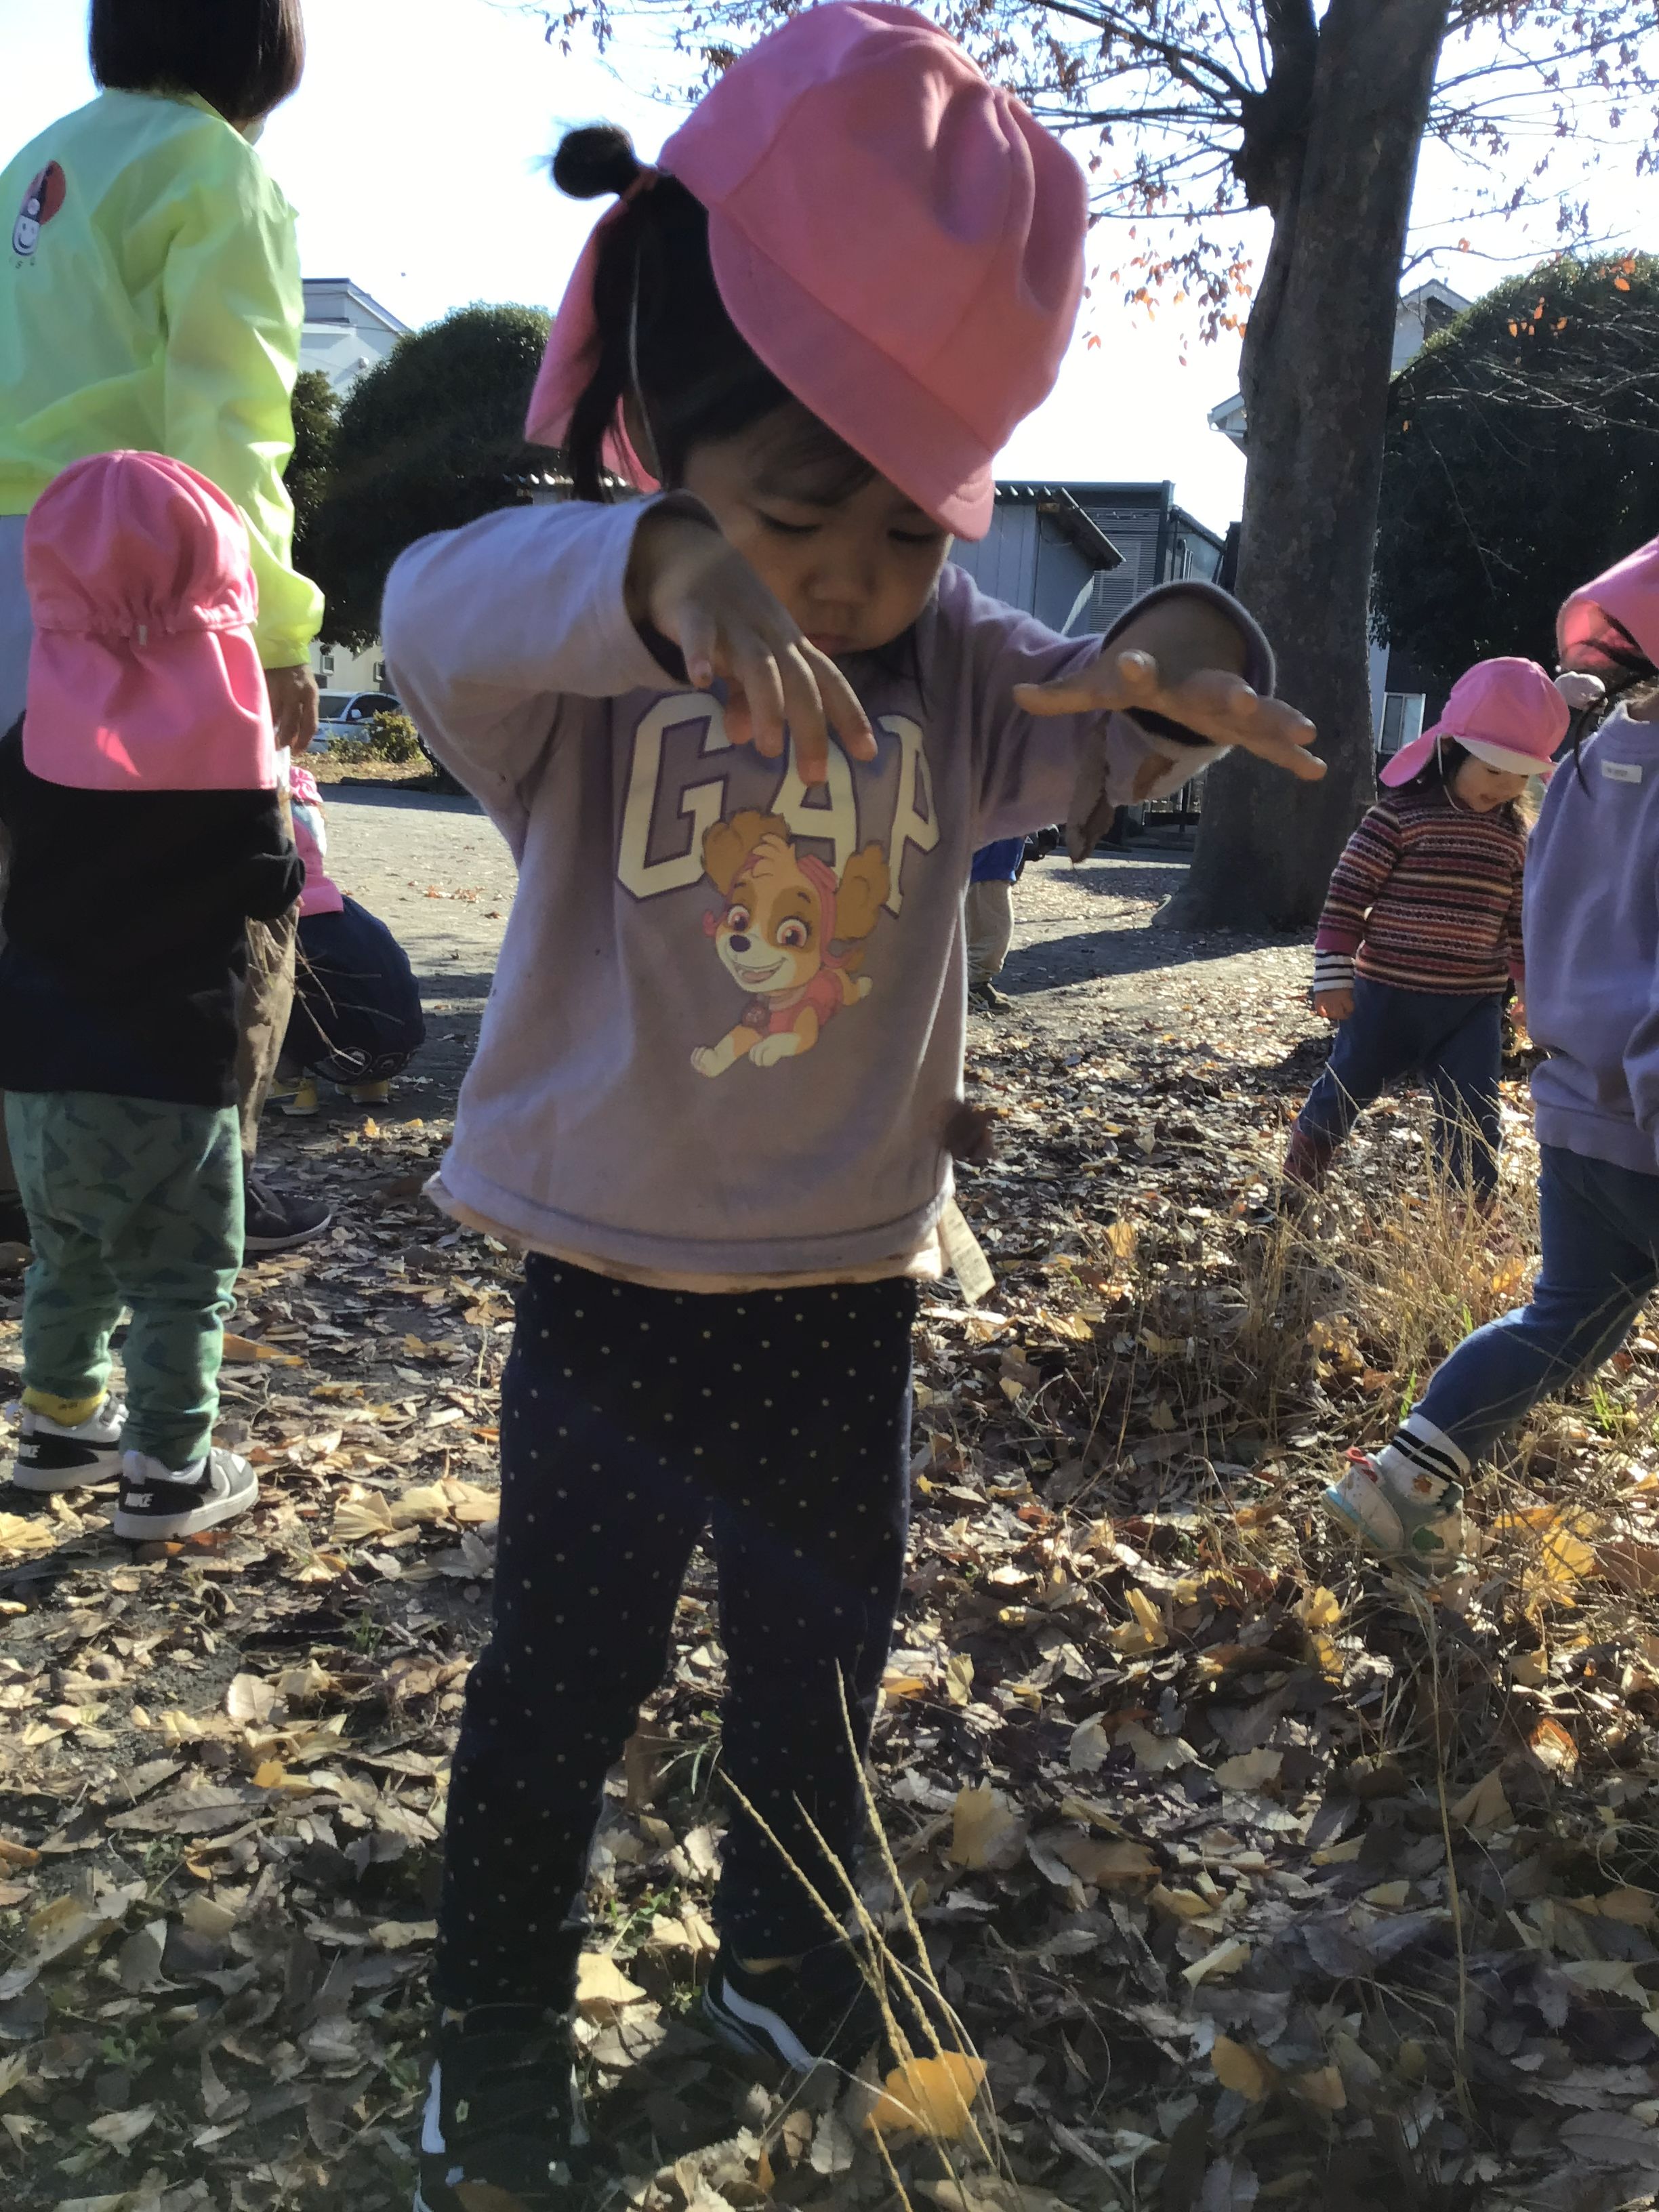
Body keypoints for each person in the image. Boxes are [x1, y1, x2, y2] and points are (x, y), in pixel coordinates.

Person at [381, 10, 1322, 2203]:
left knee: (813, 1668)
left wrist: (1184, 658)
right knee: (563, 1675)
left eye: (904, 529)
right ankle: (491, 2028)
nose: (840, 580)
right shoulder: (589, 666)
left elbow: (1116, 709)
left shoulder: (954, 673)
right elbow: (434, 603)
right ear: (658, 438)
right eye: (787, 516)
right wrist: (658, 574)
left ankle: (779, 1964)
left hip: (845, 1285)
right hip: (610, 1281)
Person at [0, 0, 330, 1254]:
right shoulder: (216, 170)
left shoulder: (34, 162)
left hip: (8, 559)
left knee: (26, 890)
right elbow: (230, 427)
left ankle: (24, 1184)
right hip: (133, 576)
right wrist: (279, 631)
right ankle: (197, 1190)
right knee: (206, 898)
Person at [1326, 541, 1659, 1572]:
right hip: (1643, 1111)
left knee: (1568, 1319)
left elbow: (1539, 919)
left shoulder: (1587, 771)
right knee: (1569, 1315)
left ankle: (1403, 1481)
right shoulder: (1420, 813)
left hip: (1577, 1106)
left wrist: (1527, 1002)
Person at [0, 453, 300, 1530]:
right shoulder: (230, 755)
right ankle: (170, 1470)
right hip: (173, 1066)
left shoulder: (28, 739)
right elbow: (272, 887)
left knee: (68, 1254)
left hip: (35, 1066)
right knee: (180, 1278)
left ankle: (60, 1427)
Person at [1284, 657, 1565, 1205]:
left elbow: (1520, 921)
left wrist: (1529, 991)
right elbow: (1348, 894)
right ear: (1452, 750)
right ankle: (1303, 1168)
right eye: (1493, 771)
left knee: (1474, 1112)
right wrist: (1333, 974)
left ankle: (1468, 1210)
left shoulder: (1514, 839)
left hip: (1470, 1008)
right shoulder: (1399, 818)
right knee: (1345, 1088)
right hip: (1385, 997)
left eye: (1520, 777)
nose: (1505, 787)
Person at [276, 759, 426, 1113]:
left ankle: (288, 1084)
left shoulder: (284, 918)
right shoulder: (355, 916)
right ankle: (370, 1086)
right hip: (395, 1052)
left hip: (339, 1051)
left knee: (262, 977)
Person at [966, 836, 1024, 1011]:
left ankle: (972, 983)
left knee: (984, 927)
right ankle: (975, 986)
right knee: (995, 930)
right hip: (988, 867)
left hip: (991, 865)